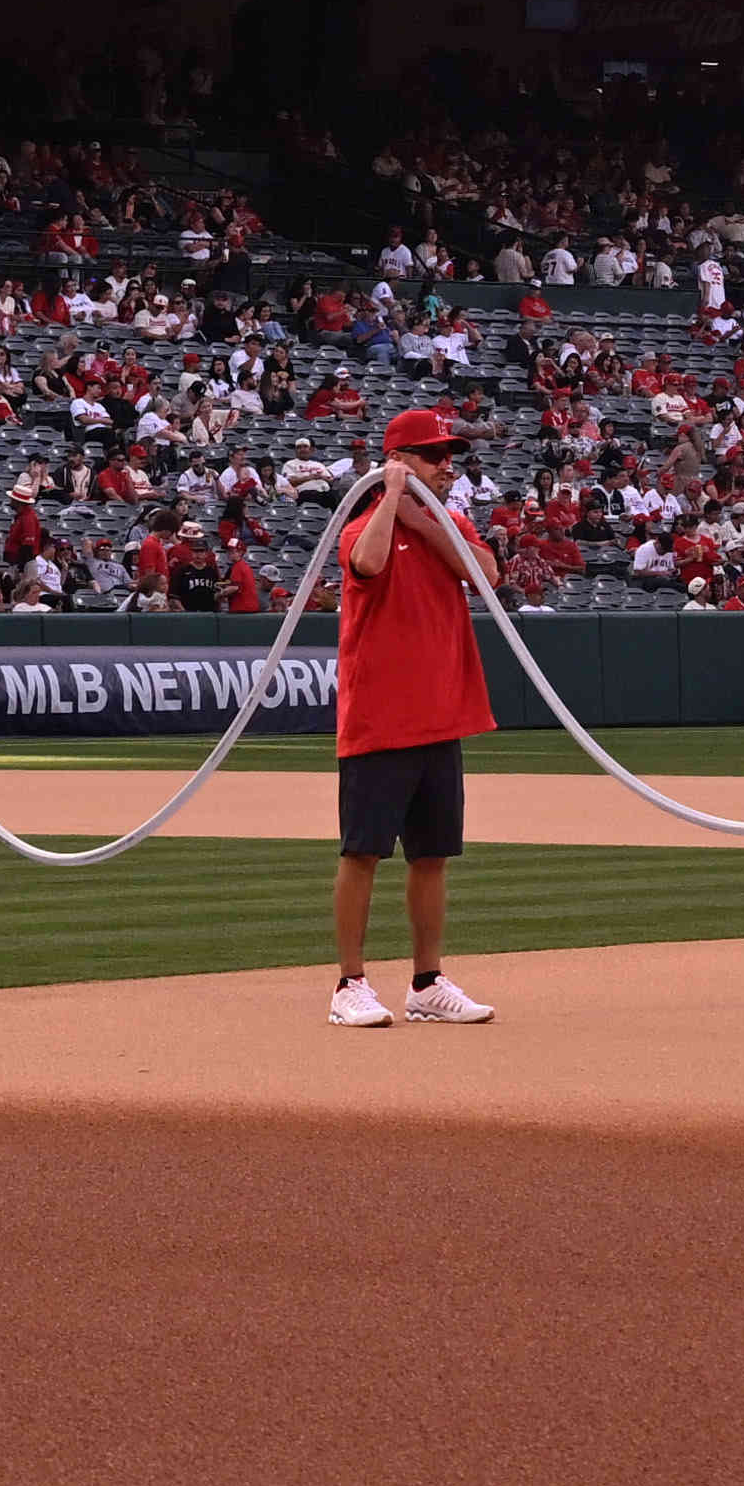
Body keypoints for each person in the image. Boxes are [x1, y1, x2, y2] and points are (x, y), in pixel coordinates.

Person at [323, 403, 498, 1030]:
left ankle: (427, 980)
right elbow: (366, 563)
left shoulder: (448, 525)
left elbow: (489, 575)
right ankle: (350, 982)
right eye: (432, 456)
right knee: (363, 852)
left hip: (440, 715)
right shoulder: (362, 524)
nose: (446, 467)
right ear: (399, 461)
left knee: (433, 855)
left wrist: (429, 523)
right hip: (379, 717)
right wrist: (394, 498)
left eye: (449, 457)